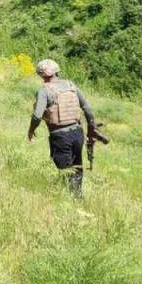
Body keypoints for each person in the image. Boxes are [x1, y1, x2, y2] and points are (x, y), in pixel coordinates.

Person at [26, 58, 96, 197]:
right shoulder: (71, 85)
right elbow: (87, 108)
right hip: (77, 133)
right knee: (77, 164)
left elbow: (37, 115)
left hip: (60, 135)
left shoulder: (44, 91)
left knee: (64, 167)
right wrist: (91, 129)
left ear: (41, 74)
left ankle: (73, 197)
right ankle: (77, 194)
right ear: (57, 71)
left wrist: (31, 130)